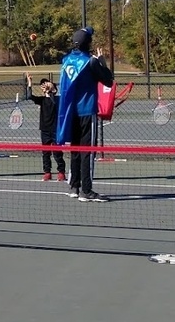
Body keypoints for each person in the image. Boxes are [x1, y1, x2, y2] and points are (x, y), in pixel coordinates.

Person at [57, 27, 114, 202]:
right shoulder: (90, 62)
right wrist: (103, 62)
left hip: (70, 112)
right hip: (87, 111)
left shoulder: (66, 61)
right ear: (88, 43)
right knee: (87, 152)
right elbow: (109, 81)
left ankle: (74, 186)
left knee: (75, 150)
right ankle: (87, 190)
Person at [25, 73, 66, 182]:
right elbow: (29, 96)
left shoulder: (57, 99)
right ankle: (47, 172)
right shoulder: (41, 100)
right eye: (43, 85)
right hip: (45, 130)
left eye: (46, 83)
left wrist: (50, 92)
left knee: (57, 152)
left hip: (55, 129)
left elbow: (53, 103)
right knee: (45, 153)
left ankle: (61, 172)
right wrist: (30, 83)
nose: (44, 85)